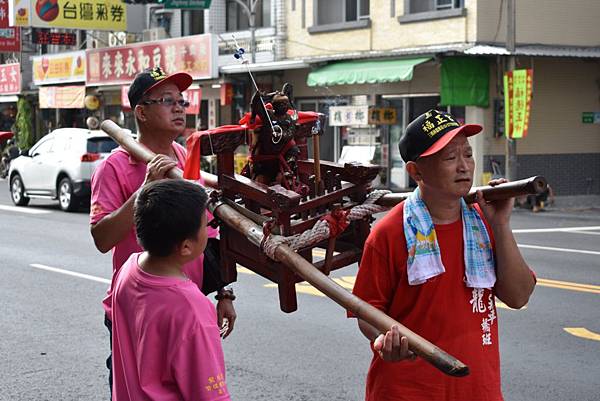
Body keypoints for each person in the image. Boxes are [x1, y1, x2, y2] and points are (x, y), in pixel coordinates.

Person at [351, 109, 536, 401]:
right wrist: (383, 340)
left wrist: (501, 224)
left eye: (468, 154)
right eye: (450, 158)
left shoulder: (485, 220)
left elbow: (518, 296)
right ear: (416, 171)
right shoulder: (390, 232)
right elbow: (366, 311)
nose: (464, 166)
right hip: (407, 391)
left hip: (478, 389)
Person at [90, 67, 236, 394]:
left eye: (181, 101)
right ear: (141, 112)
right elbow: (102, 238)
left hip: (186, 303)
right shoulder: (113, 167)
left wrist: (223, 291)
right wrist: (145, 189)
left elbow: (208, 231)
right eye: (167, 101)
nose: (179, 107)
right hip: (138, 308)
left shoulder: (184, 156)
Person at [112, 179, 231, 400]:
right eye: (206, 225)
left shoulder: (128, 270)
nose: (209, 231)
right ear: (186, 246)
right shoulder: (192, 311)